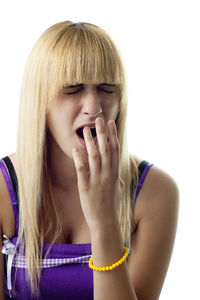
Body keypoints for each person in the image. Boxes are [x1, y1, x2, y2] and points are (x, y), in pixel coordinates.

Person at [0, 21, 179, 300]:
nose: (94, 108)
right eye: (72, 89)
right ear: (40, 102)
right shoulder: (4, 188)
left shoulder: (155, 192)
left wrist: (104, 221)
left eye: (108, 89)